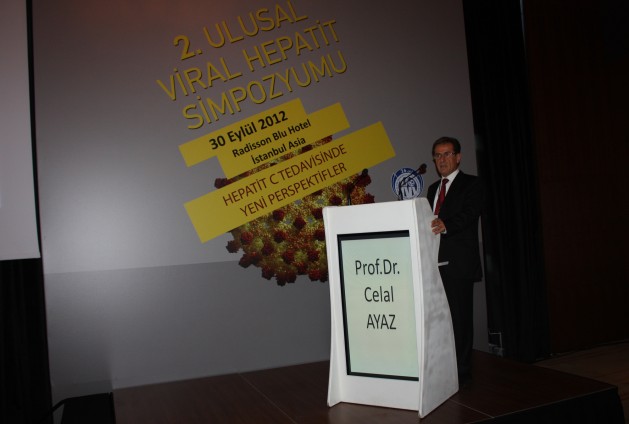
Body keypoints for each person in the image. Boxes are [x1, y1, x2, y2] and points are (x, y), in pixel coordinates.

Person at [426, 136, 484, 385]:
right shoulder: (432, 189)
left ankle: (462, 371)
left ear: (458, 157)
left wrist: (446, 225)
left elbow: (470, 214)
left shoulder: (472, 184)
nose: (442, 159)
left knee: (460, 319)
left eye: (447, 154)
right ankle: (443, 367)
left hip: (459, 263)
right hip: (434, 264)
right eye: (438, 155)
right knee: (439, 320)